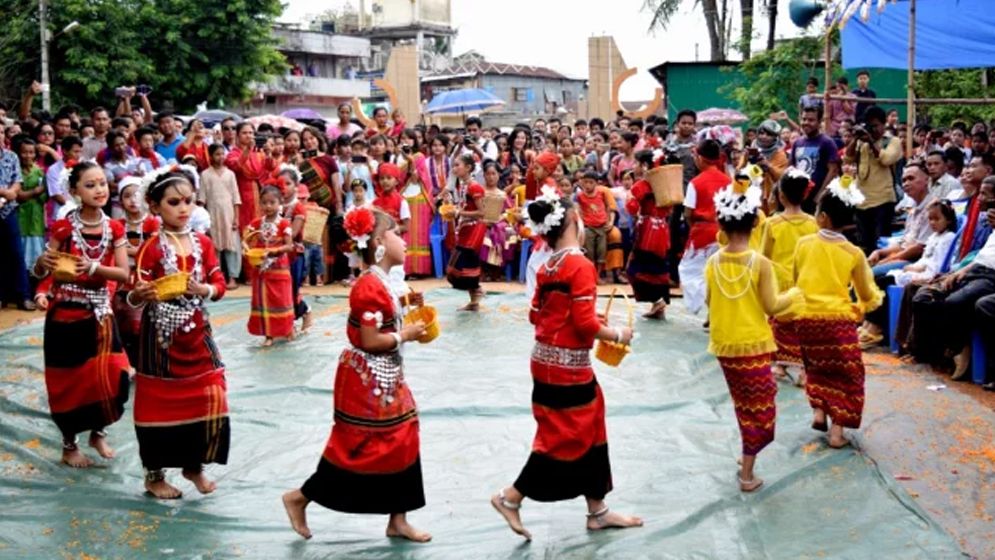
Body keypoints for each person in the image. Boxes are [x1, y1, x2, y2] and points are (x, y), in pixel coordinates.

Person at [490, 187, 640, 542]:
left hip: (546, 363)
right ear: (574, 221)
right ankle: (510, 497)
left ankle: (598, 510)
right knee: (563, 438)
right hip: (567, 369)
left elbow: (534, 315)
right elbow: (586, 324)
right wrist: (619, 333)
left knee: (589, 426)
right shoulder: (579, 265)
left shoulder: (547, 265)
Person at [282, 207, 430, 542]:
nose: (403, 238)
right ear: (379, 241)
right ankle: (300, 497)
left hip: (385, 376)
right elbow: (370, 339)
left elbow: (384, 314)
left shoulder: (382, 282)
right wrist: (405, 335)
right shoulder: (367, 288)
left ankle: (398, 519)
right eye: (396, 233)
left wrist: (406, 303)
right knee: (360, 447)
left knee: (404, 436)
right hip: (368, 380)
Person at [128, 166, 229, 499]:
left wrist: (204, 289)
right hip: (161, 337)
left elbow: (220, 284)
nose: (183, 208)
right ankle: (154, 476)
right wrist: (139, 295)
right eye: (174, 202)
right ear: (155, 207)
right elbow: (133, 291)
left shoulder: (203, 242)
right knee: (157, 403)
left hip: (197, 331)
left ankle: (194, 465)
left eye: (188, 201)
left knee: (212, 393)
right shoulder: (151, 248)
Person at [31, 161, 130, 467]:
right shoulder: (63, 229)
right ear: (74, 192)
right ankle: (69, 444)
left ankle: (98, 430)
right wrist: (41, 276)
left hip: (101, 314)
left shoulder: (114, 228)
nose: (99, 190)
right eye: (90, 185)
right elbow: (45, 269)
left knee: (115, 375)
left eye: (102, 183)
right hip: (66, 315)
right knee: (69, 381)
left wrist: (94, 268)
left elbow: (123, 274)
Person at [706, 178, 803, 492]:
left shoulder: (712, 262)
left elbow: (709, 301)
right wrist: (797, 295)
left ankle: (746, 454)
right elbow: (773, 305)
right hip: (753, 344)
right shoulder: (759, 263)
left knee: (743, 403)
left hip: (725, 346)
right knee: (760, 408)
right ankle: (747, 474)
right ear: (755, 222)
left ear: (721, 221)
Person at [794, 177, 882, 448]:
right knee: (847, 374)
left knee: (816, 366)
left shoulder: (804, 244)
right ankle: (837, 432)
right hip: (837, 321)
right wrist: (868, 304)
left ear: (821, 217)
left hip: (806, 319)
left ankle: (820, 412)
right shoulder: (853, 252)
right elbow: (867, 293)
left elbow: (796, 279)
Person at [858, 163, 935, 347]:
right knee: (866, 267)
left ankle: (876, 328)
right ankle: (868, 323)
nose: (906, 183)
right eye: (904, 180)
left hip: (918, 261)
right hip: (905, 254)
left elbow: (920, 247)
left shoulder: (932, 206)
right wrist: (880, 252)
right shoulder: (913, 207)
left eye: (911, 178)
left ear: (926, 180)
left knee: (877, 274)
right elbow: (904, 241)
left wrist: (891, 259)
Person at [760, 169, 819, 380]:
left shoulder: (771, 223)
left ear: (780, 195)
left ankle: (780, 365)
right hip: (805, 281)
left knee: (780, 325)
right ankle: (804, 367)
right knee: (803, 325)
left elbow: (764, 256)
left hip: (779, 282)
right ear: (805, 195)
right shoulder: (813, 223)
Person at [679, 138, 729, 315]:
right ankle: (714, 311)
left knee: (689, 270)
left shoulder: (696, 182)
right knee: (718, 273)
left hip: (702, 233)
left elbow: (687, 213)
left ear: (699, 158)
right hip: (724, 232)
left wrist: (695, 226)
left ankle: (705, 306)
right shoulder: (727, 181)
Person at [113, 176, 158, 366]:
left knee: (139, 324)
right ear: (121, 201)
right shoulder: (117, 225)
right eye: (127, 196)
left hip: (143, 278)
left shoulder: (151, 223)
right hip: (121, 281)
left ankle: (145, 362)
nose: (132, 200)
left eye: (136, 195)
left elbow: (151, 250)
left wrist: (123, 250)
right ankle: (129, 363)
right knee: (121, 321)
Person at [846, 106, 903, 255]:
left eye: (875, 125)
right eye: (869, 125)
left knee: (881, 244)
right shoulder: (861, 142)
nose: (873, 129)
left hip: (883, 201)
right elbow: (848, 158)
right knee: (864, 245)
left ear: (884, 124)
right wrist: (855, 138)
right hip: (862, 201)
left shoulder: (893, 141)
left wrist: (871, 142)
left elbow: (887, 159)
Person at [243, 186, 295, 347]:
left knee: (281, 300)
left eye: (272, 202)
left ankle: (287, 329)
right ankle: (269, 334)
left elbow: (289, 246)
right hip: (261, 269)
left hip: (278, 268)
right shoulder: (257, 223)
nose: (268, 206)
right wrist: (246, 248)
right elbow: (246, 238)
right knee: (263, 301)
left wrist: (273, 251)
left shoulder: (284, 224)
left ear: (280, 203)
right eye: (264, 203)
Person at [885, 200, 957, 288]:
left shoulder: (948, 238)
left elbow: (938, 265)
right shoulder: (934, 236)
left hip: (929, 275)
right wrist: (912, 267)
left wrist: (917, 268)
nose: (932, 223)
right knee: (887, 277)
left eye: (937, 219)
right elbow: (925, 257)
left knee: (885, 280)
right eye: (930, 219)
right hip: (920, 270)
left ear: (948, 220)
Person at [0, 123, 34, 311]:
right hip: (5, 200)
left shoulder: (11, 156)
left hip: (8, 211)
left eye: (1, 132)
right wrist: (5, 191)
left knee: (16, 254)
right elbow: (9, 190)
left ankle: (24, 296)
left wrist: (10, 193)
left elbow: (18, 182)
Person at [446, 154, 487, 311]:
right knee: (462, 265)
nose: (454, 168)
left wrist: (458, 213)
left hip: (472, 231)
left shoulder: (474, 187)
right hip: (465, 229)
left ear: (468, 168)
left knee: (461, 265)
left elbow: (481, 212)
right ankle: (474, 299)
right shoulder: (463, 186)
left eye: (457, 165)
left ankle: (476, 293)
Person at [199, 144, 241, 289]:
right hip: (212, 215)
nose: (221, 157)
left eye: (223, 154)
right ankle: (218, 278)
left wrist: (236, 218)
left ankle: (233, 278)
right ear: (210, 156)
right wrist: (203, 221)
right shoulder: (205, 175)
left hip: (229, 214)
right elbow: (201, 200)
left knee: (232, 247)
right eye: (217, 154)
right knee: (214, 247)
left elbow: (236, 198)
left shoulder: (230, 174)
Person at [226, 122, 276, 236]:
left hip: (260, 195)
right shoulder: (232, 153)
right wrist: (247, 150)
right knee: (246, 229)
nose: (248, 136)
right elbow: (236, 166)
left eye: (251, 133)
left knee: (261, 229)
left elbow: (271, 167)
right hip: (242, 196)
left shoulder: (258, 153)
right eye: (244, 133)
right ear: (237, 135)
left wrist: (268, 153)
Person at [789, 106, 841, 212]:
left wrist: (820, 195)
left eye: (811, 120)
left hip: (817, 201)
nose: (806, 122)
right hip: (798, 199)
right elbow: (792, 168)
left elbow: (833, 171)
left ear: (819, 121)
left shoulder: (827, 142)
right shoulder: (797, 143)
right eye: (804, 119)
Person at [575, 168, 616, 282]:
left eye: (591, 182)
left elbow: (609, 207)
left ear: (597, 183)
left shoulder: (601, 193)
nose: (588, 185)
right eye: (585, 182)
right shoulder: (580, 196)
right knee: (590, 253)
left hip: (601, 227)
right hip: (589, 228)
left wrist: (610, 221)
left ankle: (597, 275)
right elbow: (578, 210)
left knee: (601, 253)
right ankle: (591, 276)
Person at [741, 120, 789, 213]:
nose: (764, 137)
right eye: (762, 133)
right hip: (753, 198)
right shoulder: (751, 150)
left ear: (775, 137)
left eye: (769, 134)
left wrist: (769, 166)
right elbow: (739, 174)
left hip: (772, 199)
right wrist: (746, 161)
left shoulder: (780, 154)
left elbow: (782, 178)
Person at [14, 136, 47, 271]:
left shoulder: (39, 171)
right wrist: (35, 191)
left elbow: (45, 195)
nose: (28, 155)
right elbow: (18, 196)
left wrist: (38, 193)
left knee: (36, 248)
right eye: (24, 152)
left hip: (36, 216)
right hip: (20, 214)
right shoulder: (16, 171)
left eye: (31, 152)